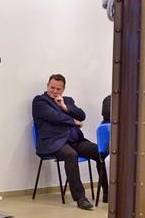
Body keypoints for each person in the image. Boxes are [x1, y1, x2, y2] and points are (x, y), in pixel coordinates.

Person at [31, 74, 108, 210]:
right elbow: (54, 116)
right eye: (52, 87)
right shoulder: (39, 101)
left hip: (74, 140)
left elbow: (82, 115)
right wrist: (73, 121)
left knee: (100, 152)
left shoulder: (67, 101)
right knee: (71, 155)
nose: (55, 91)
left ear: (63, 89)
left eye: (58, 89)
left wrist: (64, 106)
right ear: (47, 86)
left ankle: (107, 192)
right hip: (53, 142)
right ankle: (80, 198)